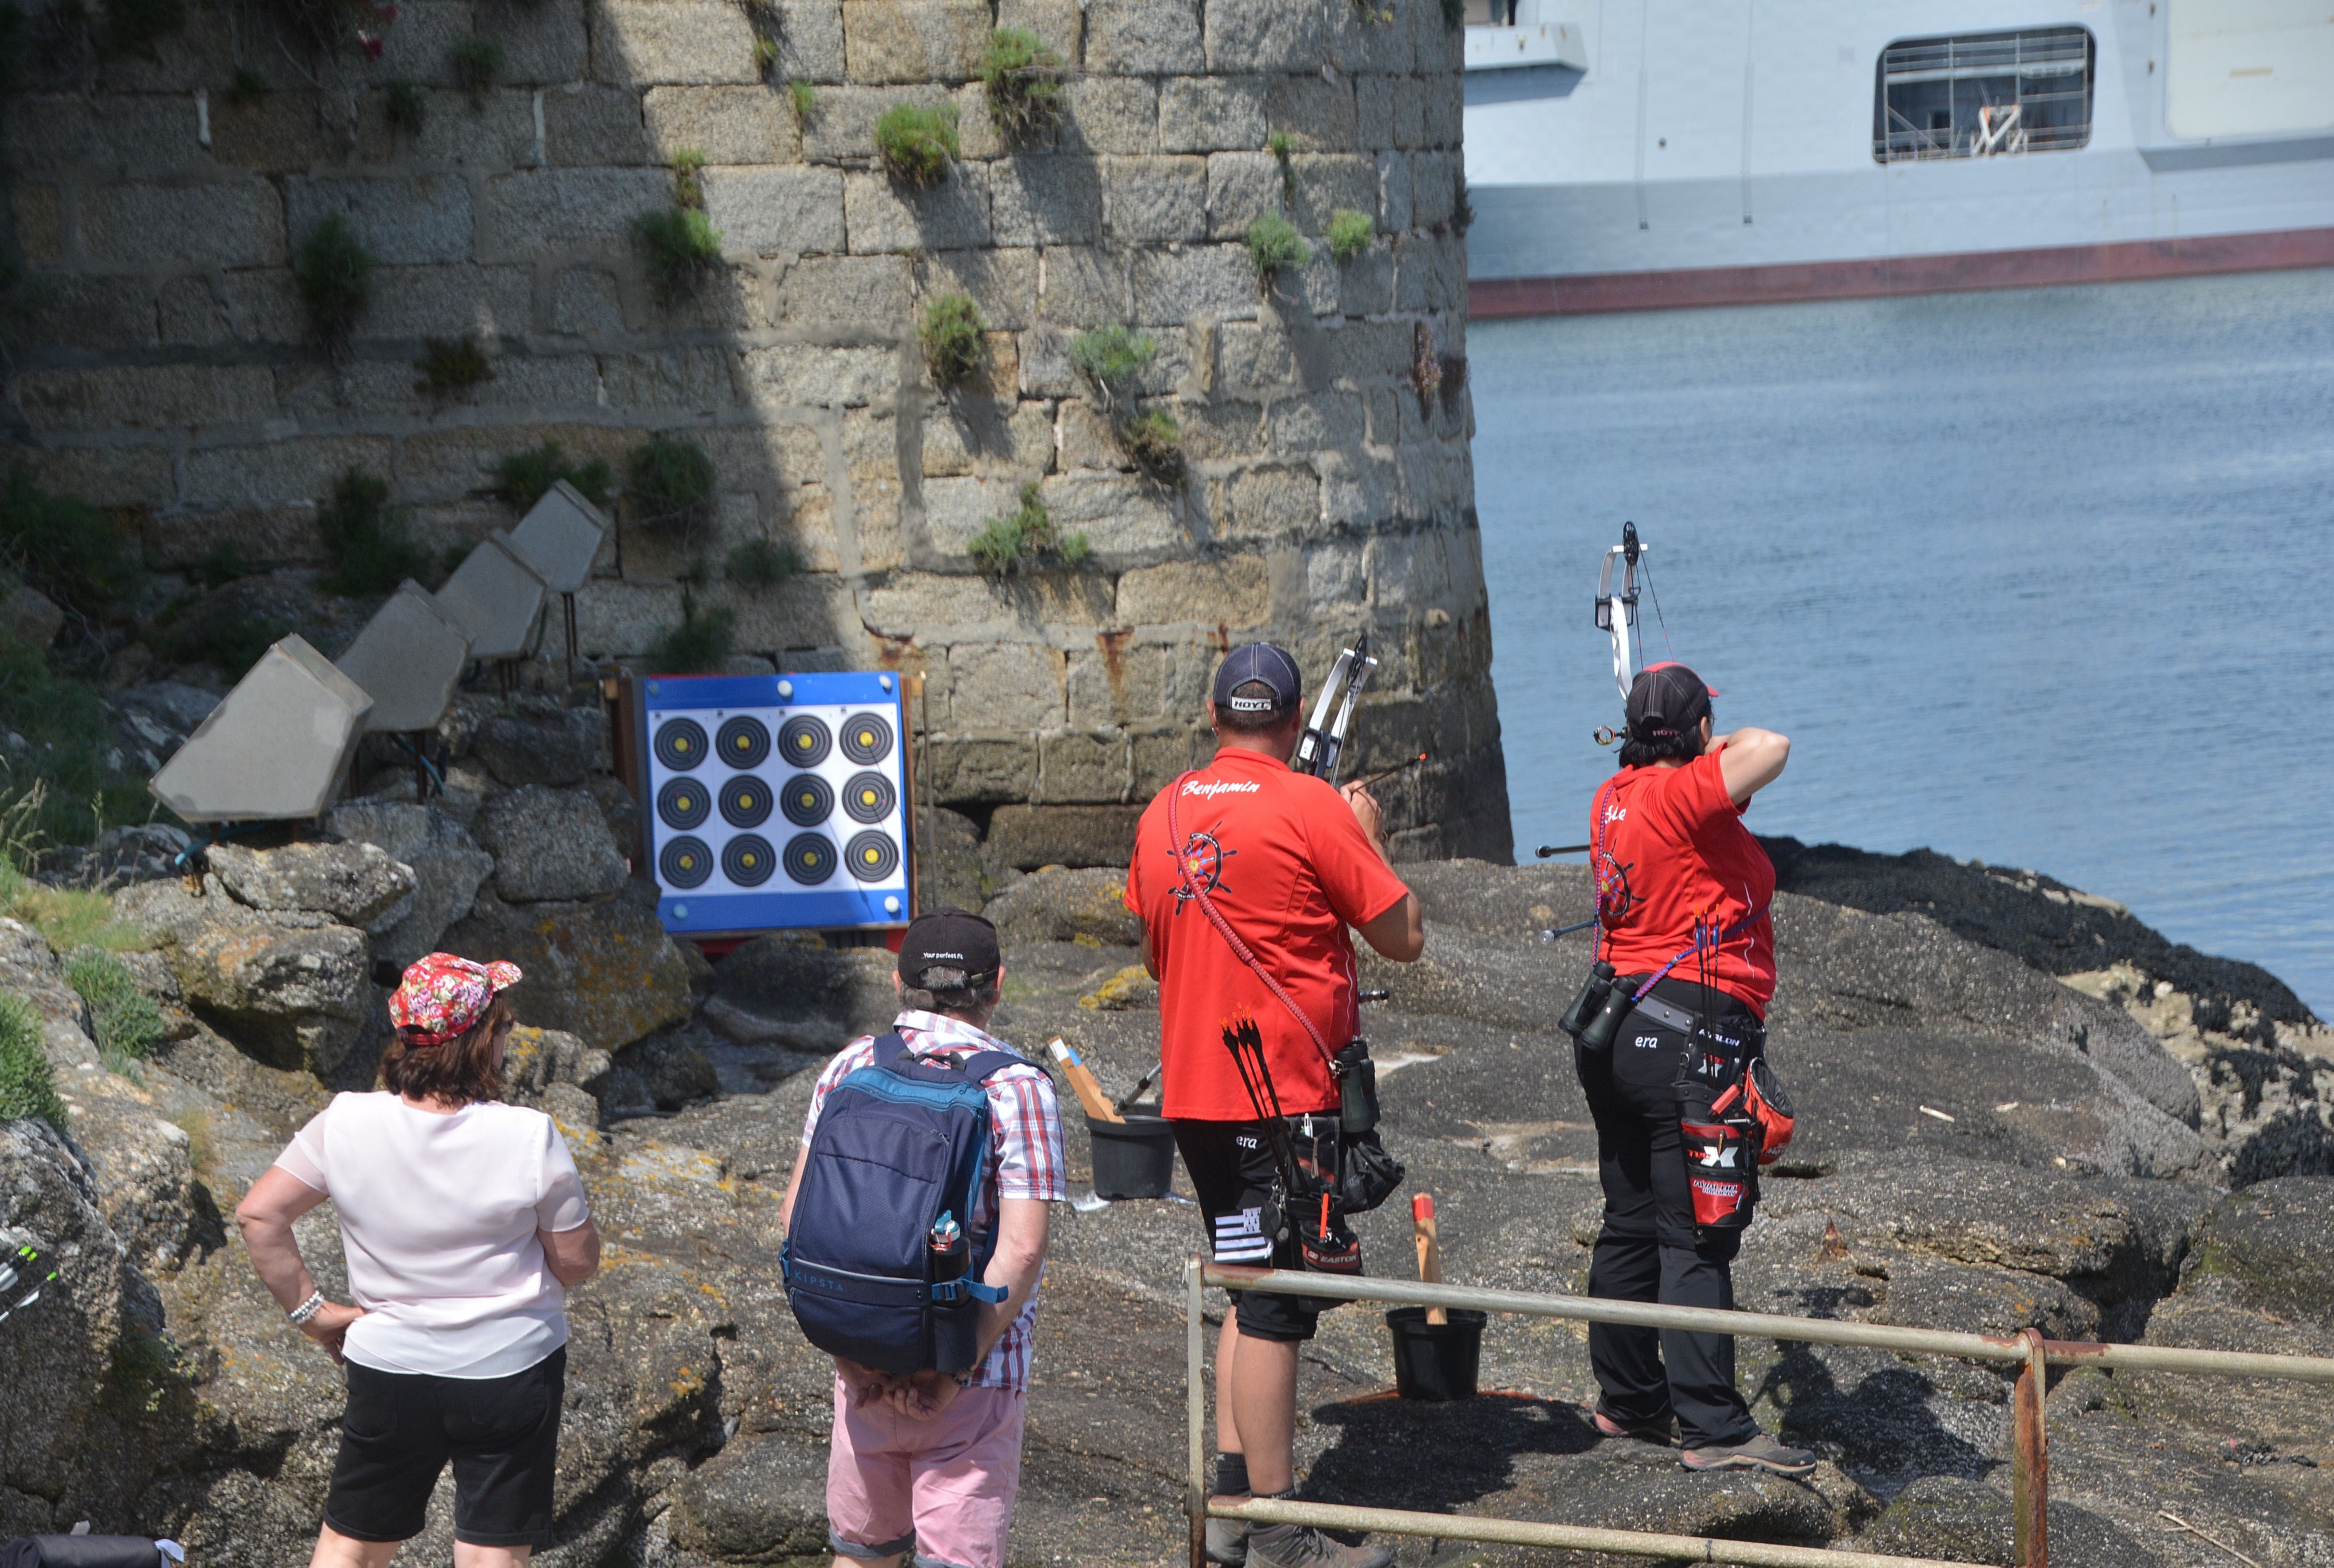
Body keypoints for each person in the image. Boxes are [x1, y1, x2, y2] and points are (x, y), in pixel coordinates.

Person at [1125, 643, 1426, 1568]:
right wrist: (1364, 833)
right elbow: (1404, 935)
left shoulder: (1165, 810)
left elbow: (1156, 949)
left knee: (1245, 1281)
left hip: (1197, 1094)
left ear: (1214, 715)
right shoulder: (1310, 805)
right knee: (1276, 1305)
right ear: (1294, 722)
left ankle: (1230, 1507)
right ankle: (1280, 1529)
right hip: (1279, 1095)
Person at [232, 954, 602, 1568]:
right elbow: (576, 1262)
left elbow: (259, 1215)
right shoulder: (528, 1134)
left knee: (351, 1547)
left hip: (390, 1365)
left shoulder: (345, 1120)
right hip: (511, 1367)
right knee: (490, 1556)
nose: (507, 1039)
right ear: (481, 1040)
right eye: (504, 1026)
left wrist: (312, 1313)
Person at [1574, 662, 1813, 1475]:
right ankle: (1712, 1425)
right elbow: (1771, 746)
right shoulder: (1680, 793)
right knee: (1697, 1232)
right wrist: (1710, 743)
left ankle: (1629, 1397)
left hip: (1615, 1030)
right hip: (1686, 1039)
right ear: (1697, 733)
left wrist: (1682, 740)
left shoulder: (1613, 797)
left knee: (1630, 1218)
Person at [778, 908, 1065, 1568]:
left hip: (861, 1358)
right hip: (975, 1379)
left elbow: (795, 1217)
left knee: (861, 1554)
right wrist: (954, 1366)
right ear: (997, 986)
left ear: (896, 982)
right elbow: (1021, 1248)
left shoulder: (850, 1064)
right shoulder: (1016, 1087)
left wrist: (849, 1357)